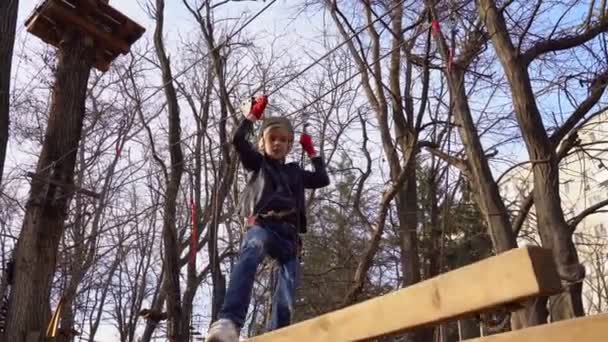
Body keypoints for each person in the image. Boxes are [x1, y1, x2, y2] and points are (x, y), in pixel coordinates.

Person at [206, 96, 330, 342]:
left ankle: (278, 334)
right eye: (272, 138)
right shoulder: (259, 163)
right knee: (253, 248)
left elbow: (322, 179)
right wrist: (252, 116)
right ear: (262, 142)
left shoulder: (295, 172)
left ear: (289, 145)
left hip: (289, 238)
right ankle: (229, 322)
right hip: (263, 225)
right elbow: (238, 141)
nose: (277, 144)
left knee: (288, 287)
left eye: (283, 140)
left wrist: (313, 152)